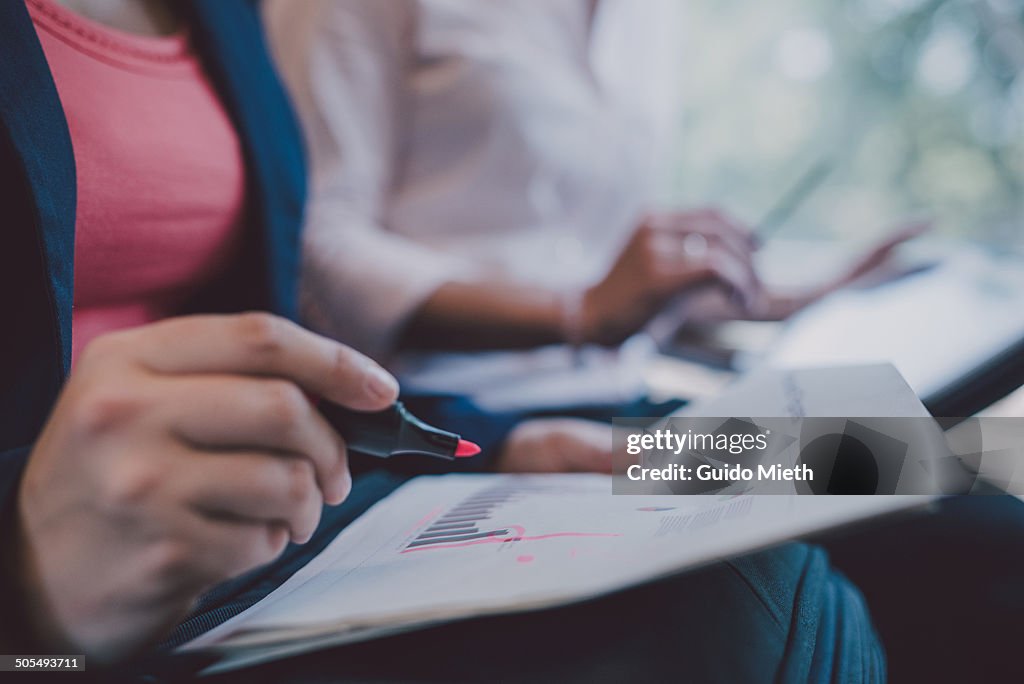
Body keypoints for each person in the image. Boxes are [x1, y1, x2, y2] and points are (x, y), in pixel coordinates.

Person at [0, 1, 883, 680]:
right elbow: (324, 259)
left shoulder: (221, 21)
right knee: (767, 600)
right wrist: (25, 598)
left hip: (472, 436)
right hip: (78, 596)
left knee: (917, 454)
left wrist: (746, 300)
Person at [263, 0, 924, 412]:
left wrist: (808, 294)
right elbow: (316, 242)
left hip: (618, 405)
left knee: (948, 466)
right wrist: (578, 314)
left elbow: (611, 279)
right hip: (456, 422)